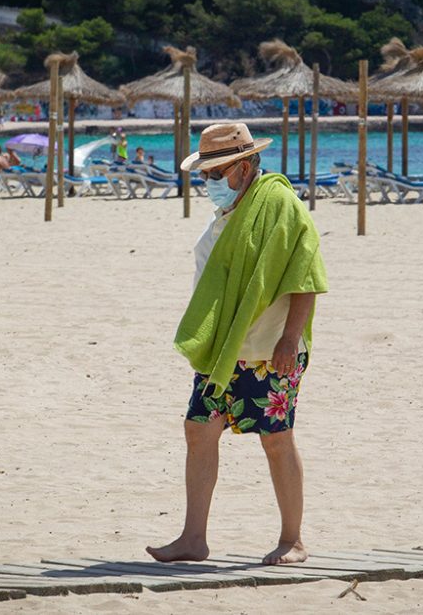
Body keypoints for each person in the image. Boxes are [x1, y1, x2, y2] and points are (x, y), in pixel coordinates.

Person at [146, 123, 328, 566]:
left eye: (215, 174)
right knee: (198, 428)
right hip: (225, 348)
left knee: (276, 438)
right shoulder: (230, 213)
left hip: (271, 348)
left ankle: (292, 541)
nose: (209, 184)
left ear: (244, 169)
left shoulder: (280, 204)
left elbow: (305, 276)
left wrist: (289, 338)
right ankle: (193, 538)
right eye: (205, 175)